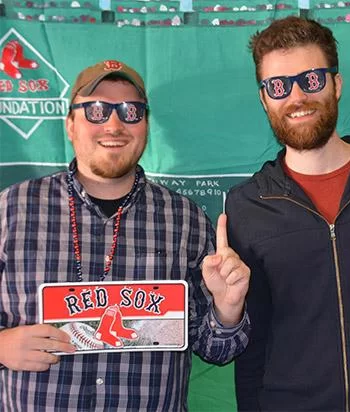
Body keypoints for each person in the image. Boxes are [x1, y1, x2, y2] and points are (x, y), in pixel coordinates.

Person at [0, 59, 251, 411]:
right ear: (70, 124)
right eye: (96, 110)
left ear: (145, 124)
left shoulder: (186, 220)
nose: (114, 124)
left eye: (131, 111)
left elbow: (218, 350)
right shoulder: (9, 210)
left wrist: (227, 310)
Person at [226, 16, 350, 412]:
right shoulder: (246, 206)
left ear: (336, 85)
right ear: (264, 99)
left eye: (311, 80)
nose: (296, 97)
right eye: (278, 86)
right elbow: (251, 346)